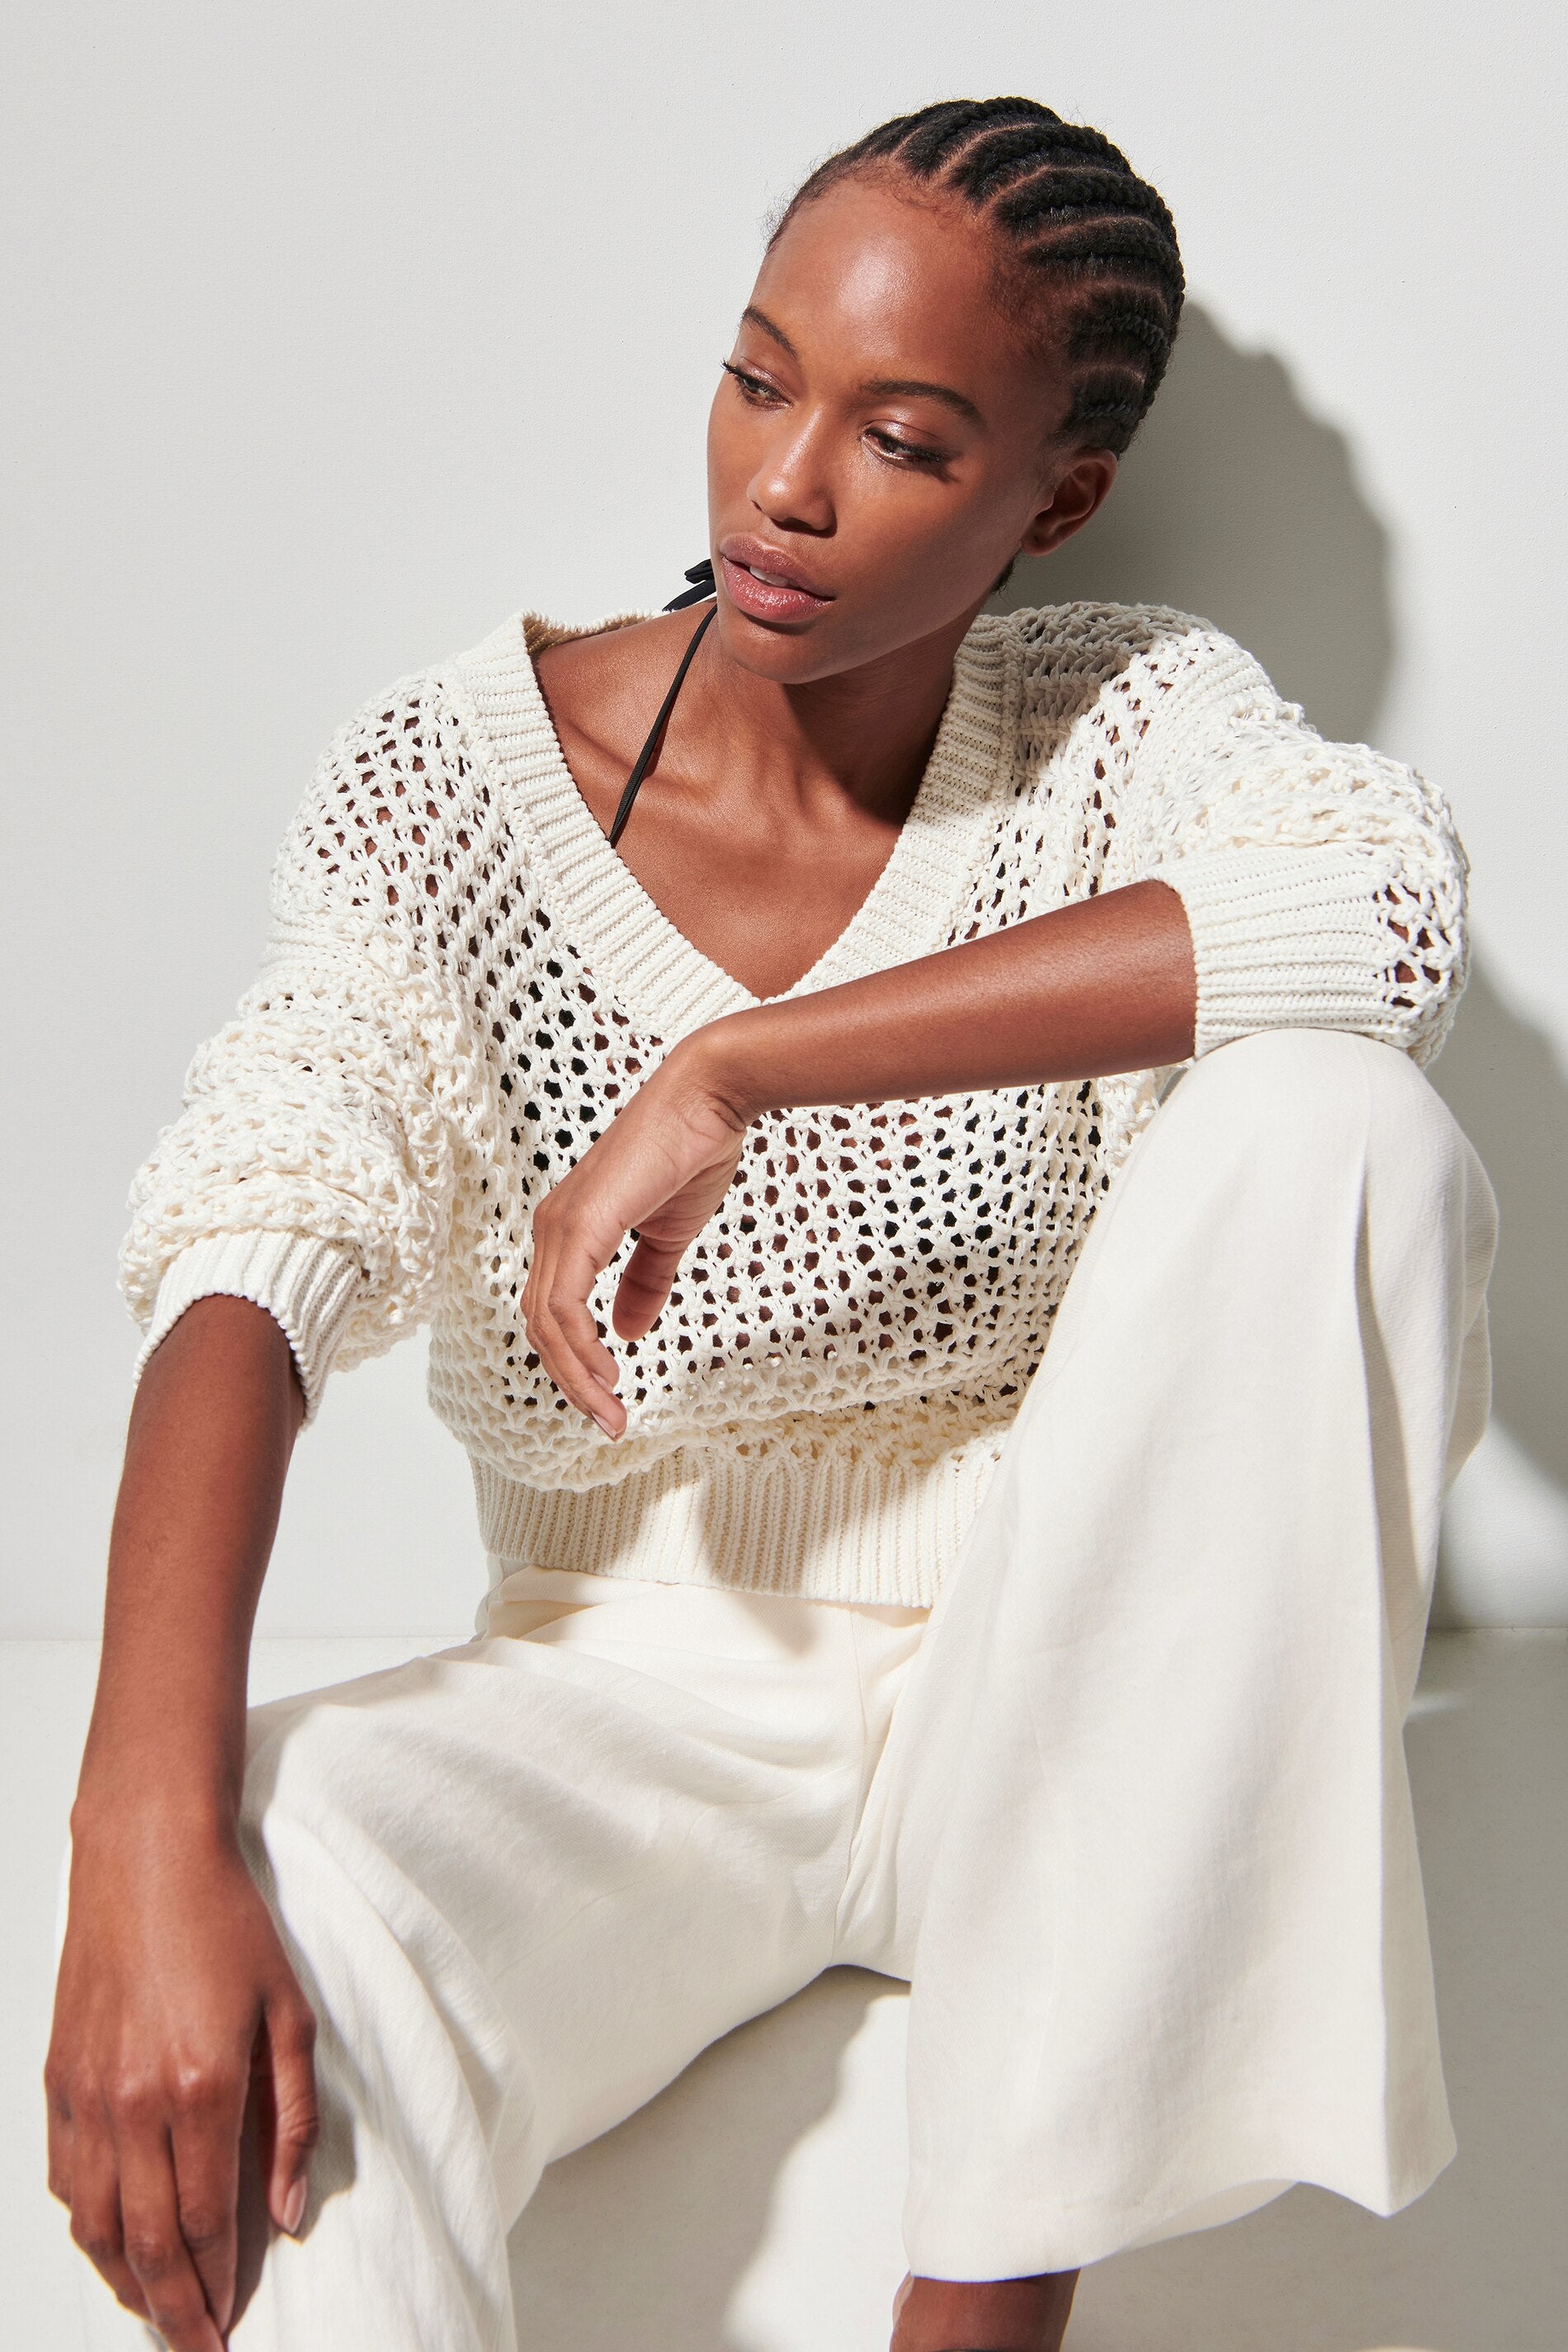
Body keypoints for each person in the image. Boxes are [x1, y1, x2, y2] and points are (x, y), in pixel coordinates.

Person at [47, 95, 1496, 2352]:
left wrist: (744, 1063)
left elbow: (1380, 915)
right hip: (639, 1689)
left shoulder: (1119, 725)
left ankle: (985, 2299)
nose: (783, 486)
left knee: (1344, 1121)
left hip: (1070, 1667)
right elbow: (261, 1228)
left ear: (1055, 498)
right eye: (754, 378)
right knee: (292, 1891)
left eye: (901, 440)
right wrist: (142, 1823)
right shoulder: (455, 786)